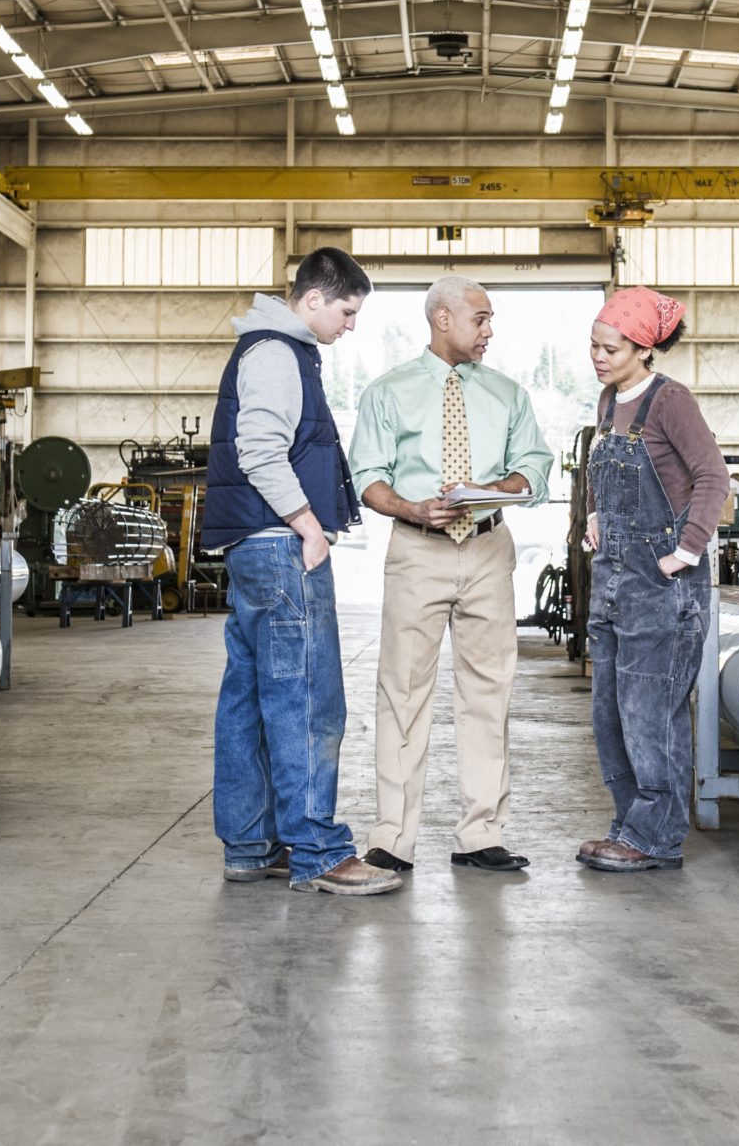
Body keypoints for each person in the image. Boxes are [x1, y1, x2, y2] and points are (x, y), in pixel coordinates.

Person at [201, 247, 403, 897]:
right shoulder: (277, 354)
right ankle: (317, 849)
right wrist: (307, 524)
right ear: (313, 299)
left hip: (254, 544)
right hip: (279, 545)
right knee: (308, 700)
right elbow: (259, 448)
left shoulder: (274, 351)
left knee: (251, 698)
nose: (350, 325)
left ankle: (251, 844)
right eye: (346, 311)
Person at [348, 275, 554, 875]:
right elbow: (368, 475)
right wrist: (412, 507)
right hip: (418, 551)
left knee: (489, 691)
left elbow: (534, 470)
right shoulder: (389, 393)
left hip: (489, 549)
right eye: (480, 319)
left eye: (490, 321)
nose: (489, 331)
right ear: (443, 319)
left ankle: (480, 833)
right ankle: (393, 836)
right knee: (403, 692)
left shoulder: (508, 394)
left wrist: (494, 490)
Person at [577, 285, 729, 872]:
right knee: (611, 712)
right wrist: (595, 515)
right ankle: (628, 823)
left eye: (610, 349)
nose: (598, 357)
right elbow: (604, 470)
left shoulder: (671, 402)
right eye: (593, 345)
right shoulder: (607, 400)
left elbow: (713, 478)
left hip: (661, 585)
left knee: (651, 713)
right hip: (614, 577)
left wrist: (685, 552)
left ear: (644, 348)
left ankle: (656, 838)